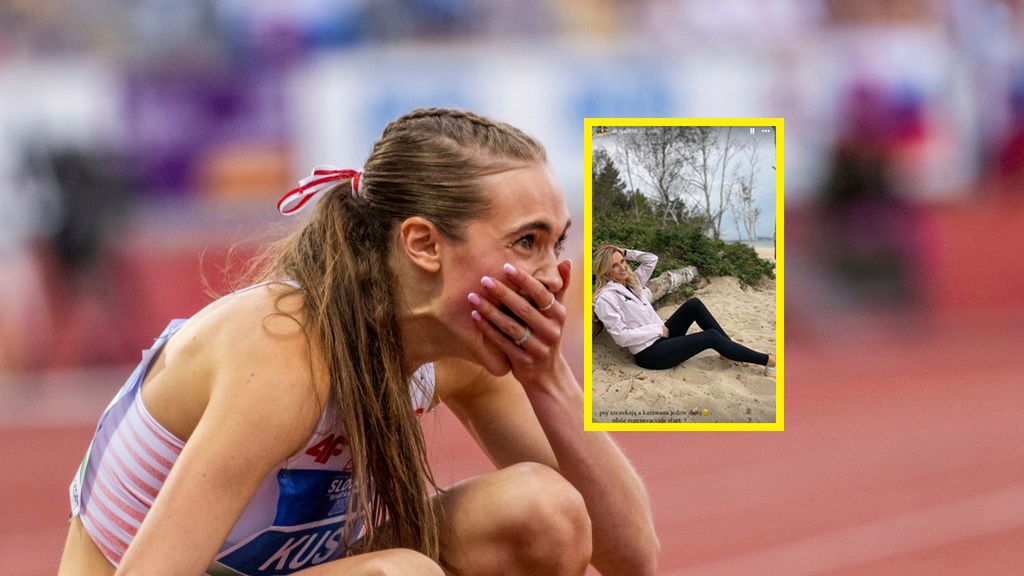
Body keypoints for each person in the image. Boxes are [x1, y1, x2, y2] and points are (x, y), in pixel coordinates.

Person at [59, 109, 659, 576]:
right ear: (423, 244)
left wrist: (549, 379)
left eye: (557, 241)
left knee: (543, 512)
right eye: (526, 241)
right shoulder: (286, 351)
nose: (555, 272)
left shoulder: (457, 354)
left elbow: (630, 558)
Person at [592, 244, 775, 374]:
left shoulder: (631, 283)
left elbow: (651, 259)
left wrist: (623, 251)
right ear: (605, 271)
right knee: (710, 336)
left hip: (661, 336)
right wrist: (656, 329)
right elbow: (622, 337)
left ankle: (727, 350)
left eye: (623, 261)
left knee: (693, 304)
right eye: (614, 265)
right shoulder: (605, 299)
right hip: (650, 353)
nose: (622, 267)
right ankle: (767, 360)